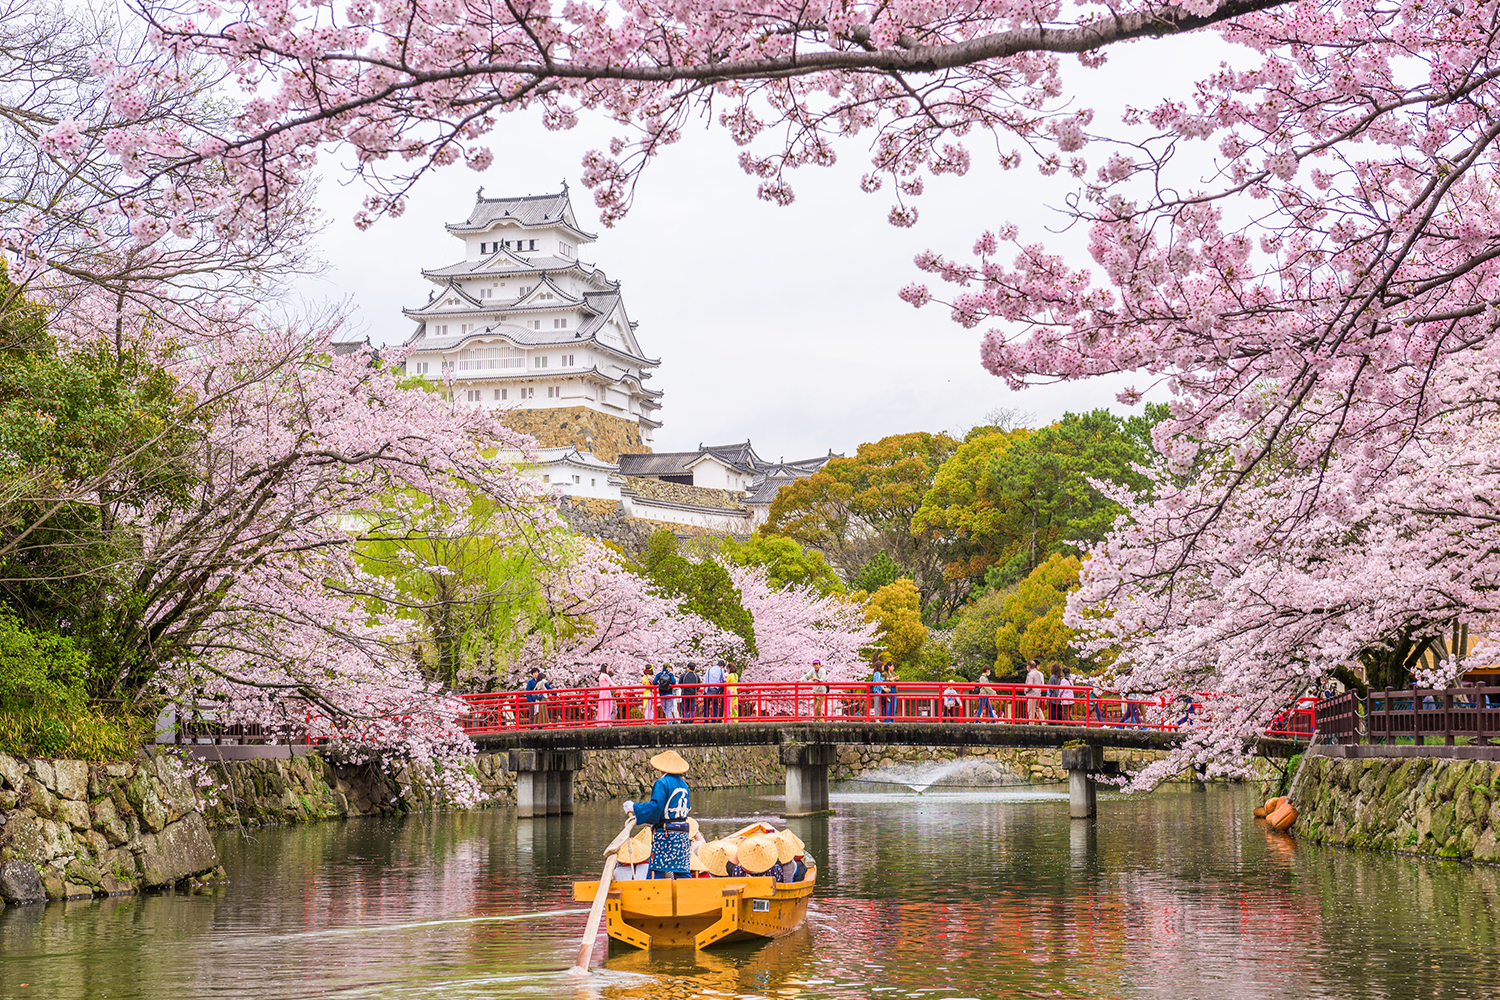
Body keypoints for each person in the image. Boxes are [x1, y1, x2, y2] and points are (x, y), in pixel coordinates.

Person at [624, 750, 693, 879]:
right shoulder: (684, 784)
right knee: (682, 870)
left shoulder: (662, 783)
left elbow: (656, 807)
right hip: (683, 834)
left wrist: (634, 807)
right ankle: (688, 895)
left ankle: (652, 895)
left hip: (667, 834)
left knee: (657, 870)